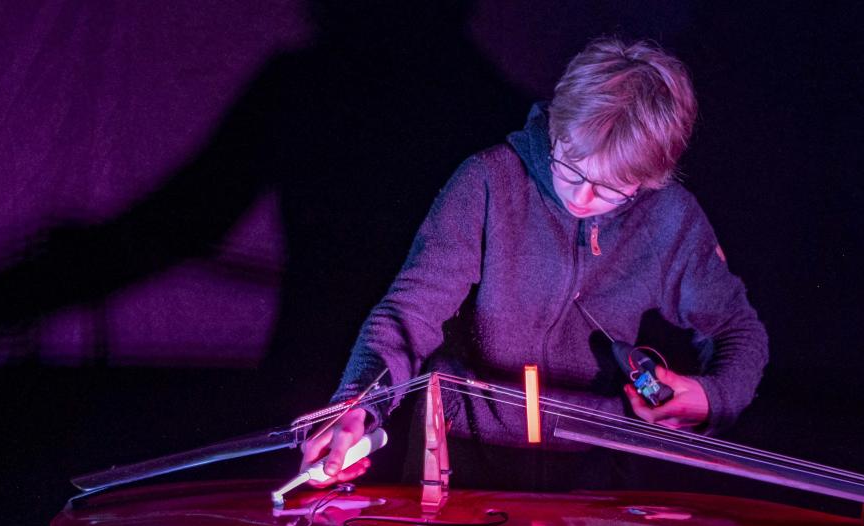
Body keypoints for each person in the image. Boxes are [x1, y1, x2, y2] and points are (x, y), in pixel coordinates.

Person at [304, 37, 768, 486]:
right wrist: (357, 405)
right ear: (556, 127)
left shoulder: (670, 216)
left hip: (599, 474)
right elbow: (409, 314)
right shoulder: (488, 181)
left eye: (612, 188)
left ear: (649, 180)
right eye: (570, 166)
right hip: (463, 462)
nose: (582, 199)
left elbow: (738, 332)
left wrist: (713, 397)